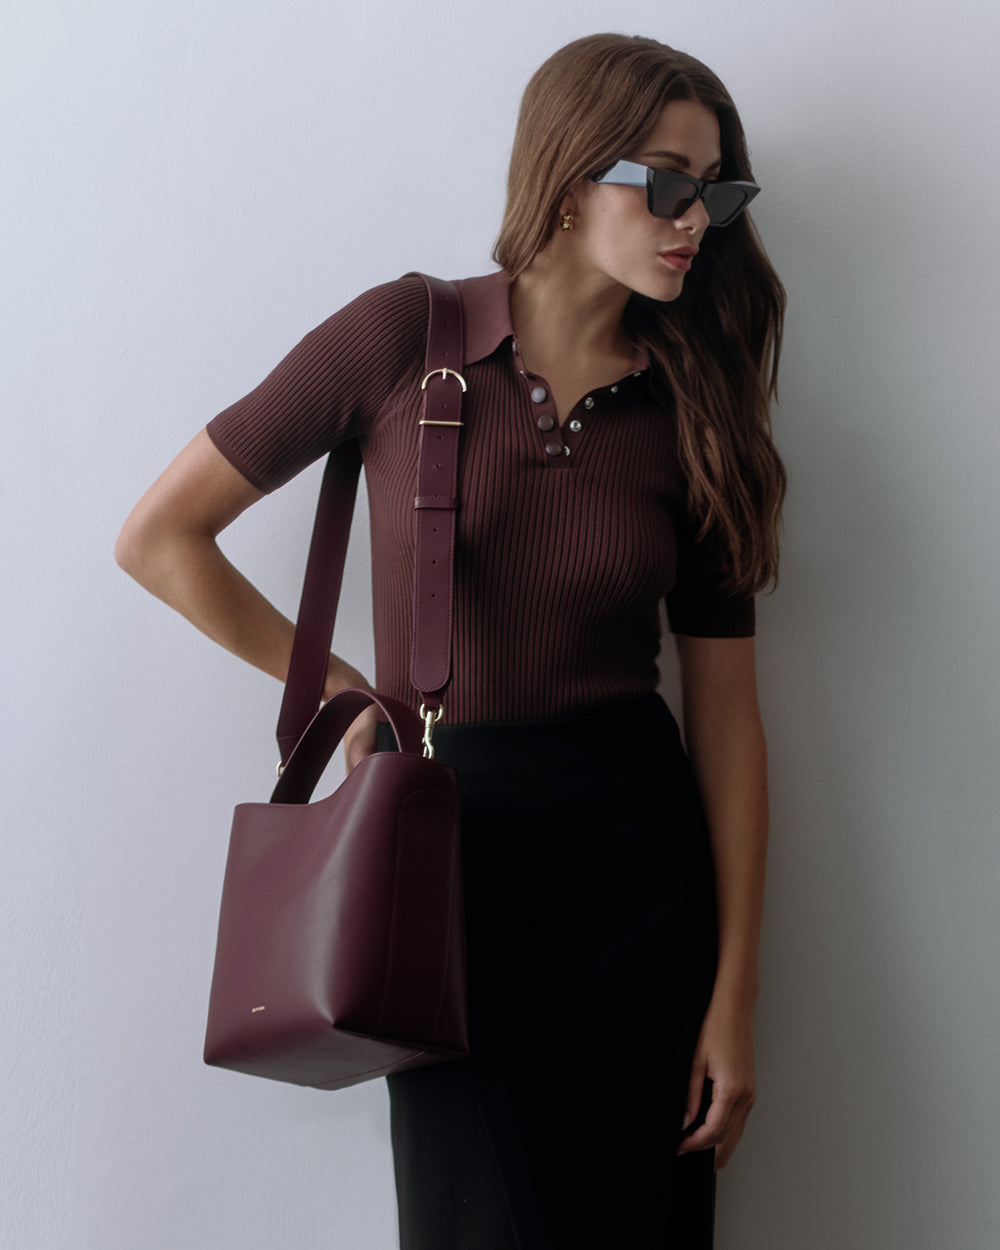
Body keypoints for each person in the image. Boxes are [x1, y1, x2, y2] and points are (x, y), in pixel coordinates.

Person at [116, 32, 785, 1250]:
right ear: (572, 175)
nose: (699, 219)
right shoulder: (403, 339)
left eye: (717, 190)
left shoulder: (693, 409)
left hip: (643, 880)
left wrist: (734, 994)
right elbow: (162, 537)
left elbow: (727, 717)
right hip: (448, 871)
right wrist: (345, 691)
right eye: (671, 182)